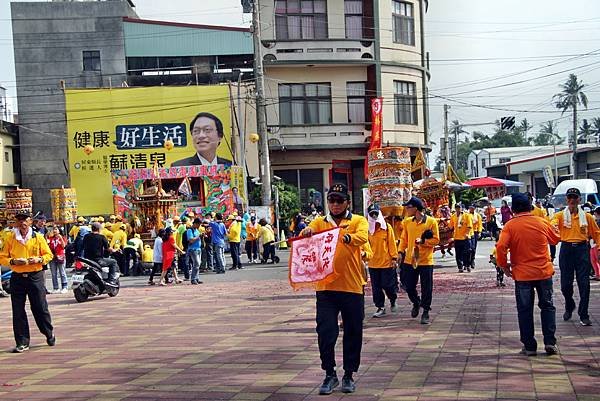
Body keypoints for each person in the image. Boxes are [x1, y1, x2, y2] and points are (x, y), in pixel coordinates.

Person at [300, 183, 368, 395]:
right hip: (326, 287)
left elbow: (363, 238)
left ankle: (349, 374)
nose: (336, 205)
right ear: (327, 202)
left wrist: (345, 237)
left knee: (353, 331)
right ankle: (330, 373)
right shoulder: (320, 222)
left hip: (352, 286)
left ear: (347, 202)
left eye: (340, 200)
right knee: (326, 331)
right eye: (332, 200)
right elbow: (306, 236)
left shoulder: (358, 221)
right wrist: (307, 231)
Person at [496, 193, 561, 356]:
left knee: (524, 310)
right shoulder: (541, 222)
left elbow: (500, 247)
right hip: (543, 272)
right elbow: (555, 239)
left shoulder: (510, 226)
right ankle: (550, 342)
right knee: (547, 306)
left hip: (523, 275)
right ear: (530, 206)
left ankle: (530, 346)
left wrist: (504, 267)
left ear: (512, 209)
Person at [0, 212, 55, 353]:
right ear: (16, 223)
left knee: (39, 308)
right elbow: (2, 257)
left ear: (30, 221)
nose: (22, 223)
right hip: (17, 277)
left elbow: (49, 255)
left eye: (25, 220)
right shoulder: (10, 238)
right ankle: (22, 342)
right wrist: (12, 261)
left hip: (35, 276)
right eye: (19, 220)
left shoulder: (38, 237)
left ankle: (48, 332)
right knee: (18, 311)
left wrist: (39, 260)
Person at [551, 187, 600, 326]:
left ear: (579, 200)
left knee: (584, 283)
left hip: (582, 250)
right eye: (569, 198)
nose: (572, 200)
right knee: (565, 285)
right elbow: (552, 224)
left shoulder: (588, 217)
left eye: (575, 197)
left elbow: (597, 233)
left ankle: (583, 314)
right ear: (567, 200)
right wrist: (553, 227)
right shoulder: (560, 216)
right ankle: (569, 304)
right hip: (566, 250)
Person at [398, 196, 440, 325]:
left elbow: (436, 240)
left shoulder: (431, 222)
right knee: (408, 285)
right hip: (410, 259)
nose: (406, 209)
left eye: (408, 207)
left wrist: (423, 242)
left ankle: (426, 310)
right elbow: (404, 239)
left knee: (426, 287)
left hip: (425, 260)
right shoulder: (407, 222)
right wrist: (400, 252)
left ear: (415, 208)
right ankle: (416, 302)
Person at [366, 204, 398, 318]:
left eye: (376, 213)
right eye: (371, 214)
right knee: (376, 287)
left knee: (388, 285)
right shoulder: (367, 229)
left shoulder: (387, 228)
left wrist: (394, 258)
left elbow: (392, 243)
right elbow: (364, 244)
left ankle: (393, 298)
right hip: (373, 263)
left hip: (386, 262)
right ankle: (380, 307)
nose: (374, 216)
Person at [449, 203, 473, 272]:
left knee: (467, 252)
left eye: (459, 207)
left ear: (461, 208)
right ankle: (460, 267)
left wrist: (467, 234)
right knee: (458, 253)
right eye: (456, 207)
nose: (458, 209)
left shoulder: (466, 216)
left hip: (465, 238)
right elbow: (450, 227)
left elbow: (469, 226)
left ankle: (468, 265)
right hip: (457, 238)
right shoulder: (453, 216)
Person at [47, 226, 68, 294]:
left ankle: (64, 286)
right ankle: (56, 287)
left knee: (62, 272)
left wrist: (61, 238)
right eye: (53, 229)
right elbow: (48, 245)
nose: (54, 231)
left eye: (56, 229)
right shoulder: (51, 238)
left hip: (60, 256)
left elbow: (64, 246)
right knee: (53, 273)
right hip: (53, 257)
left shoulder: (63, 237)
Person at [186, 218, 204, 284]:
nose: (199, 226)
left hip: (198, 249)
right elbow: (191, 240)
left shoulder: (197, 230)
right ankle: (193, 279)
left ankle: (196, 278)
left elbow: (198, 238)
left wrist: (201, 236)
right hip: (193, 249)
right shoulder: (190, 230)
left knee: (198, 264)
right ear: (195, 223)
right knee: (197, 263)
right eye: (198, 225)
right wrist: (198, 236)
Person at [468, 205, 483, 270]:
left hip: (475, 232)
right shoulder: (467, 215)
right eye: (470, 208)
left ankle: (472, 260)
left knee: (473, 248)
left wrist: (479, 232)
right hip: (468, 232)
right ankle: (467, 261)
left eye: (473, 208)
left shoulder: (477, 216)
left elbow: (480, 224)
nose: (471, 209)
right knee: (468, 248)